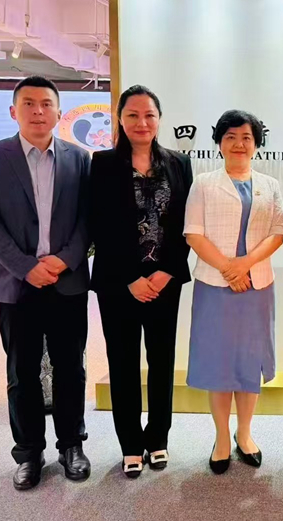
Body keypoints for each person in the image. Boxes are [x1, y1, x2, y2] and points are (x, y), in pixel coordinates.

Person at [0, 75, 91, 490]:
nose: (38, 111)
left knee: (70, 368)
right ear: (14, 111)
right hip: (17, 285)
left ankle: (71, 445)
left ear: (59, 112)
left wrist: (64, 260)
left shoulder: (80, 159)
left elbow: (87, 220)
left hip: (67, 282)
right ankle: (28, 452)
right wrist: (26, 267)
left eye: (46, 104)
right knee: (21, 372)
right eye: (29, 104)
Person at [89, 85, 192, 478]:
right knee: (123, 363)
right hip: (119, 284)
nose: (141, 122)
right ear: (120, 118)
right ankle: (131, 444)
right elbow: (99, 225)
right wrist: (131, 277)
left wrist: (167, 271)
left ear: (159, 119)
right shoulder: (102, 163)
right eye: (132, 114)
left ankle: (158, 438)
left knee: (162, 362)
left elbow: (186, 224)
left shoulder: (179, 163)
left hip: (165, 281)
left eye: (149, 114)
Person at [184, 110, 283, 474]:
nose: (239, 144)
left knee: (248, 362)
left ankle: (245, 433)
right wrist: (228, 268)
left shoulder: (269, 185)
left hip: (256, 285)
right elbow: (193, 233)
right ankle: (221, 438)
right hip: (215, 285)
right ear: (219, 143)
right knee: (219, 362)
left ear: (256, 144)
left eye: (246, 137)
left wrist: (244, 264)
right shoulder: (203, 183)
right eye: (230, 137)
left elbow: (277, 233)